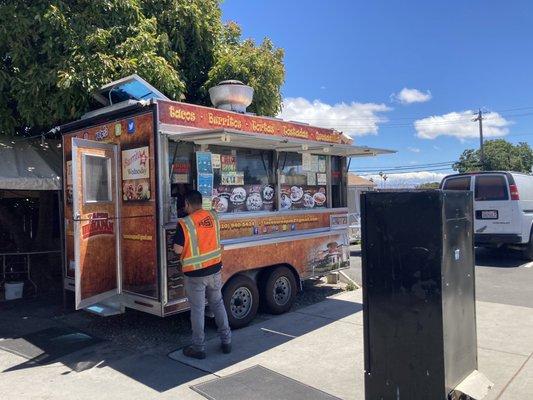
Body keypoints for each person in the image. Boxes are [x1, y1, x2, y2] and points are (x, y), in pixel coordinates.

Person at [173, 190, 231, 359]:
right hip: (214, 270)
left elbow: (177, 249)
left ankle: (198, 348)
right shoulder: (213, 216)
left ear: (188, 205)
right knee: (218, 304)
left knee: (198, 310)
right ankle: (226, 341)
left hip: (195, 274)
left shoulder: (185, 223)